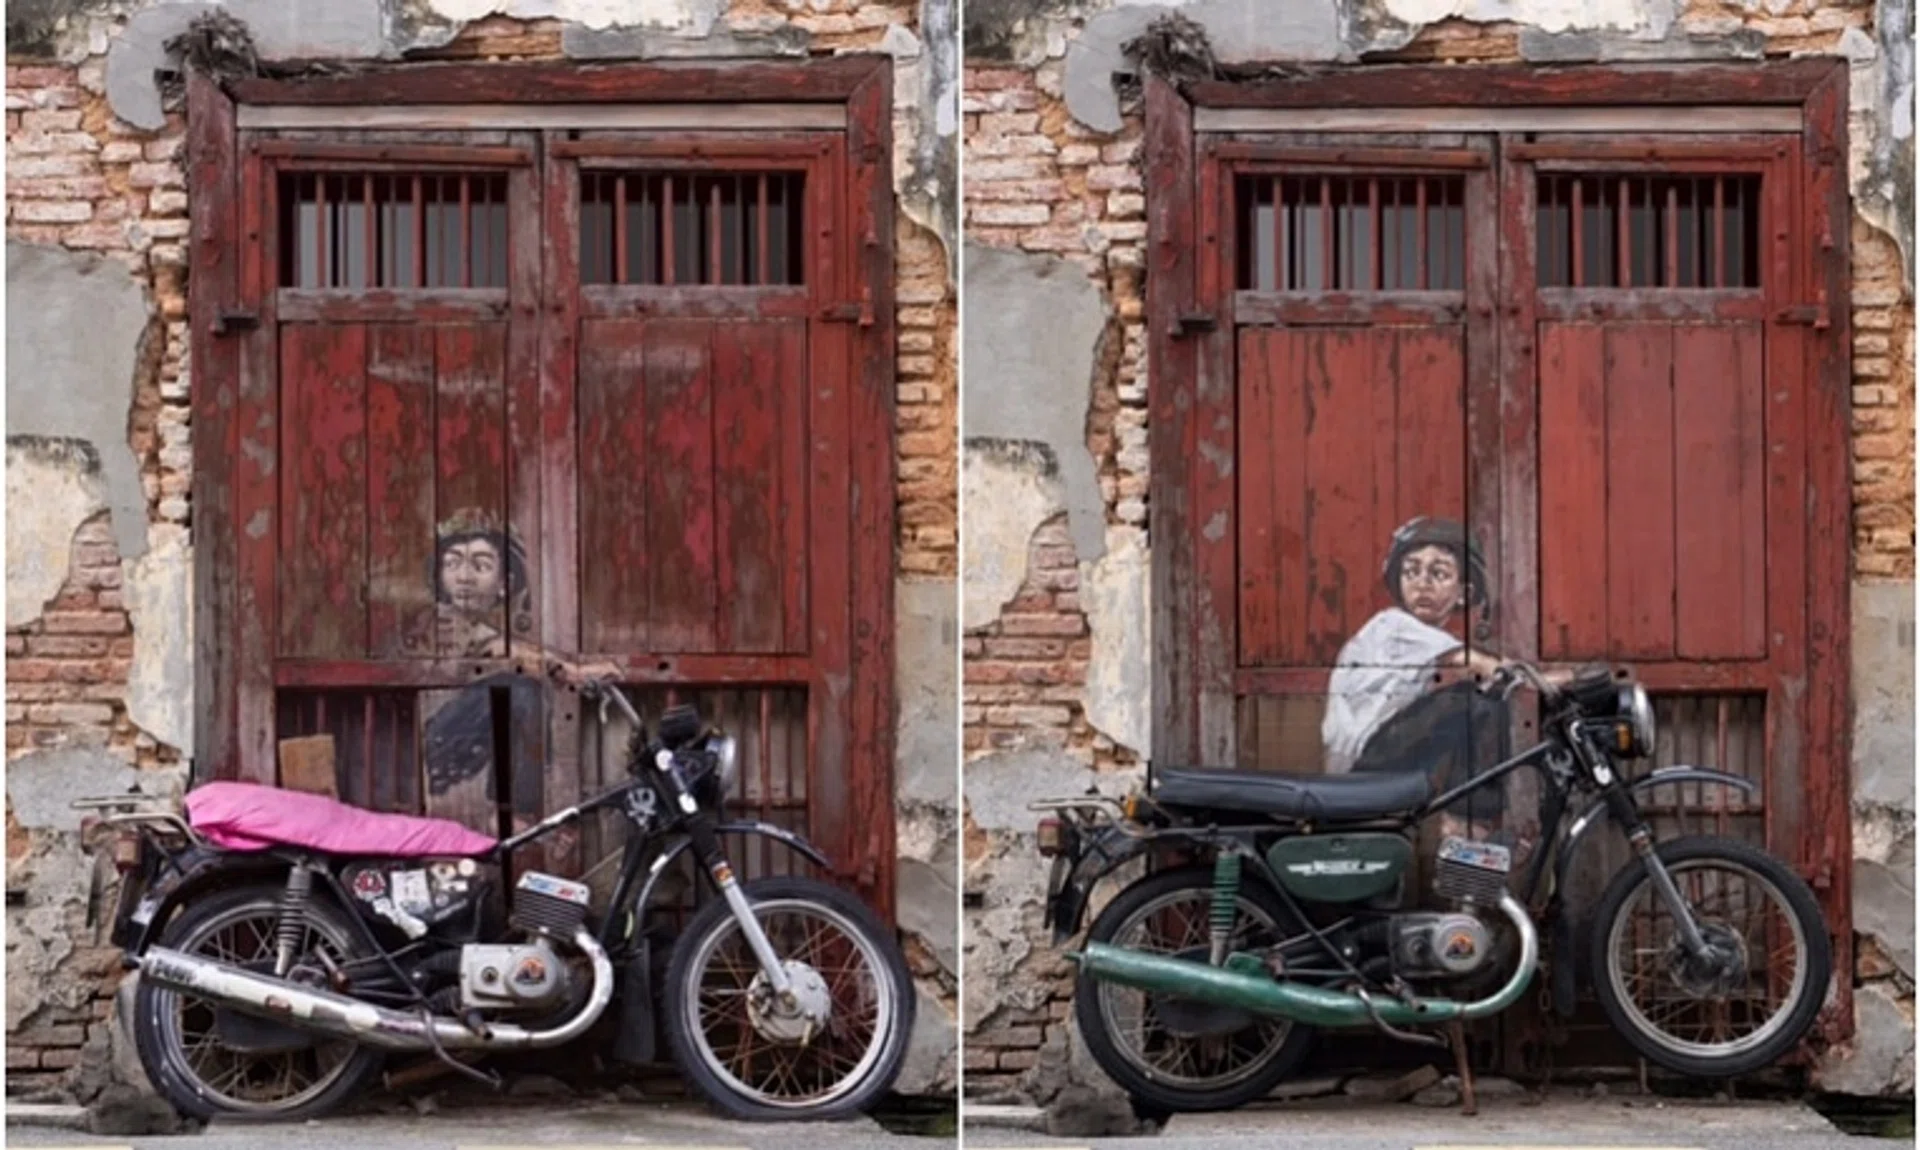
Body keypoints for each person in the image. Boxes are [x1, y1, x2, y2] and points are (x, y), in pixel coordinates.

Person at [1321, 516, 1566, 845]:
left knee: (1479, 698)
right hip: (1360, 766)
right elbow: (1483, 666)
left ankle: (1469, 827)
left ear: (1463, 593)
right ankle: (1467, 828)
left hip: (1371, 761)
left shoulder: (1421, 639)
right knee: (1473, 704)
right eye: (1411, 571)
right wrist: (1561, 680)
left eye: (1438, 573)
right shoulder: (1393, 625)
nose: (1422, 583)